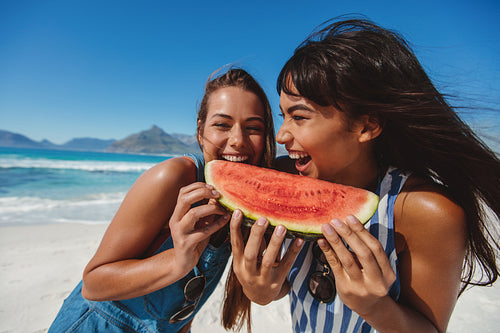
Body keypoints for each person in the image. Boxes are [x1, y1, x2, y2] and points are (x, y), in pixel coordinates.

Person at [226, 18, 500, 332]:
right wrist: (261, 291)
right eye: (283, 116)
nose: (282, 135)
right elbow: (292, 287)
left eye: (299, 116)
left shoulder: (426, 210)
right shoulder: (287, 178)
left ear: (366, 126)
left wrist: (375, 307)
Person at [48, 67, 276, 333]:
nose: (237, 140)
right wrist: (177, 261)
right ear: (201, 132)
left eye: (253, 128)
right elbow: (93, 283)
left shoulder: (250, 196)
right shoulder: (173, 177)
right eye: (222, 125)